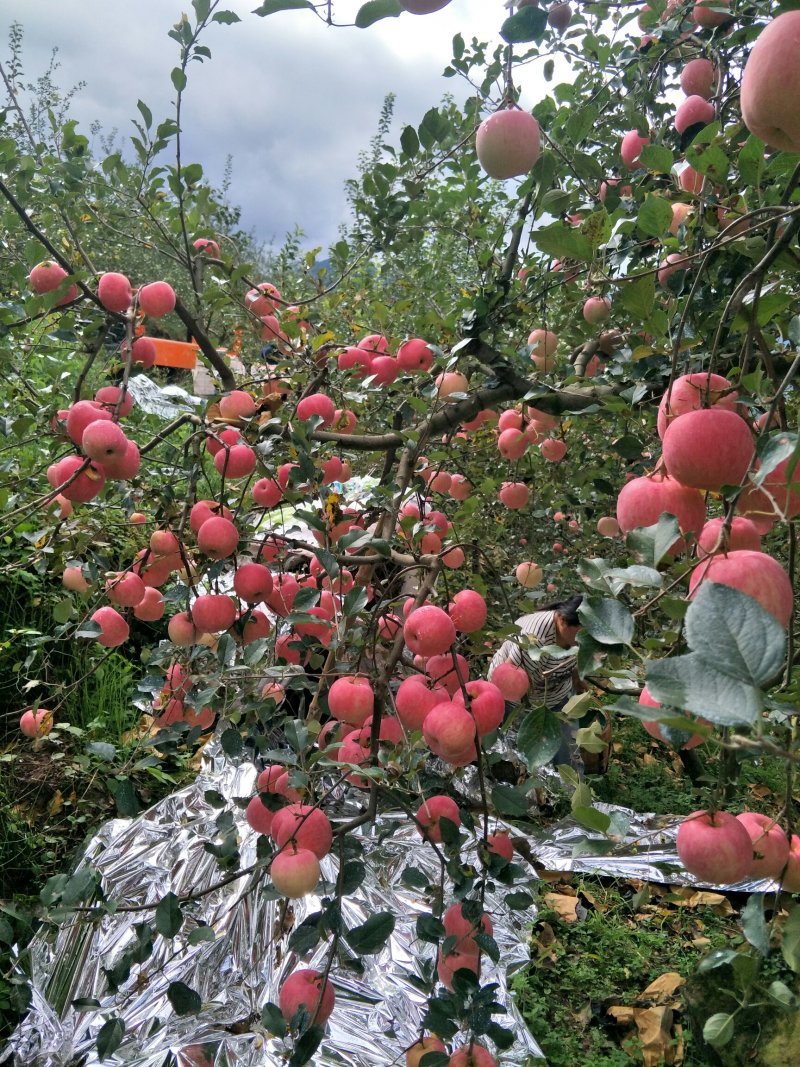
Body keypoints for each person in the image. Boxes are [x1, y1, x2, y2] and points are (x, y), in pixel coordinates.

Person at [487, 595, 588, 774]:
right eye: (582, 633)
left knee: (567, 749)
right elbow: (513, 682)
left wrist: (578, 682)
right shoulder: (535, 639)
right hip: (513, 693)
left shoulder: (576, 636)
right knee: (513, 744)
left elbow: (576, 657)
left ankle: (571, 788)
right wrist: (540, 723)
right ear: (563, 621)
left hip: (556, 692)